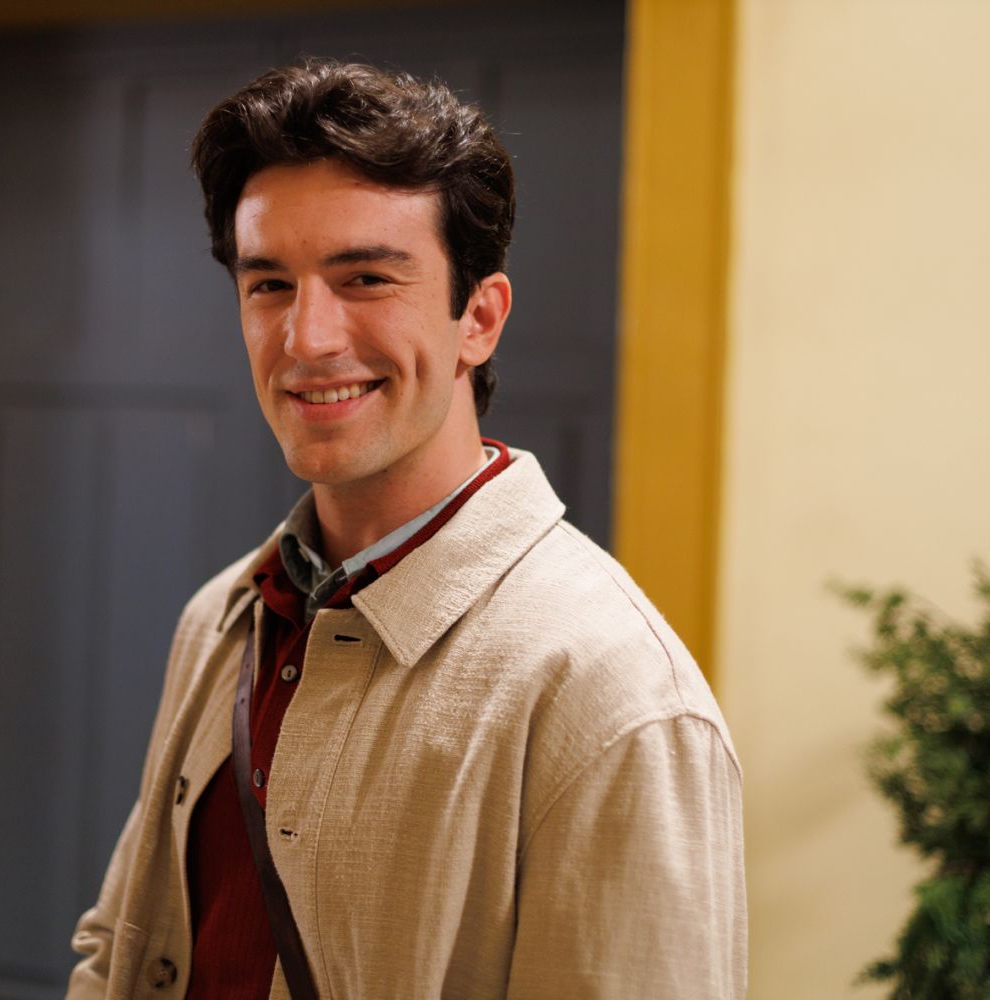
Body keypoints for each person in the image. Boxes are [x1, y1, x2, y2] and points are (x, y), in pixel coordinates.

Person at [67, 59, 746, 1000]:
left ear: (480, 318)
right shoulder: (223, 617)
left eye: (366, 278)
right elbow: (120, 947)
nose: (307, 339)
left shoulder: (611, 696)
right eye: (270, 285)